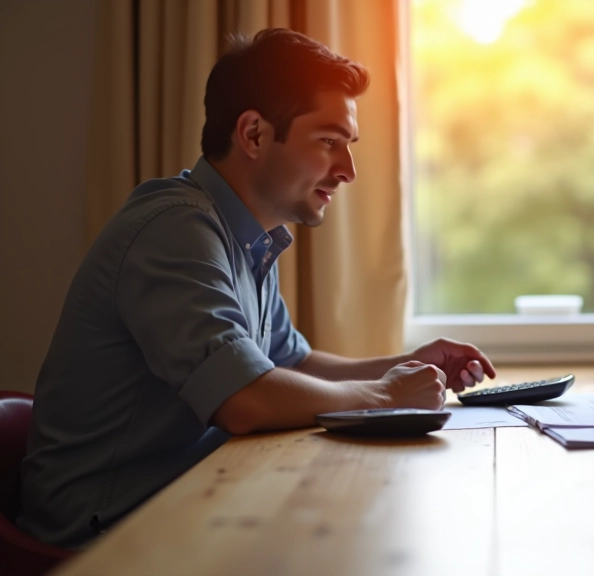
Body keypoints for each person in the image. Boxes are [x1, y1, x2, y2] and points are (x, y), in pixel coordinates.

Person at [19, 28, 496, 549]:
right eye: (328, 142)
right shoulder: (175, 229)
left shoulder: (246, 238)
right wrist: (386, 396)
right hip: (101, 537)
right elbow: (245, 398)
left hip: (183, 503)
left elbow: (292, 367)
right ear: (253, 135)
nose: (348, 171)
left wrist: (404, 363)